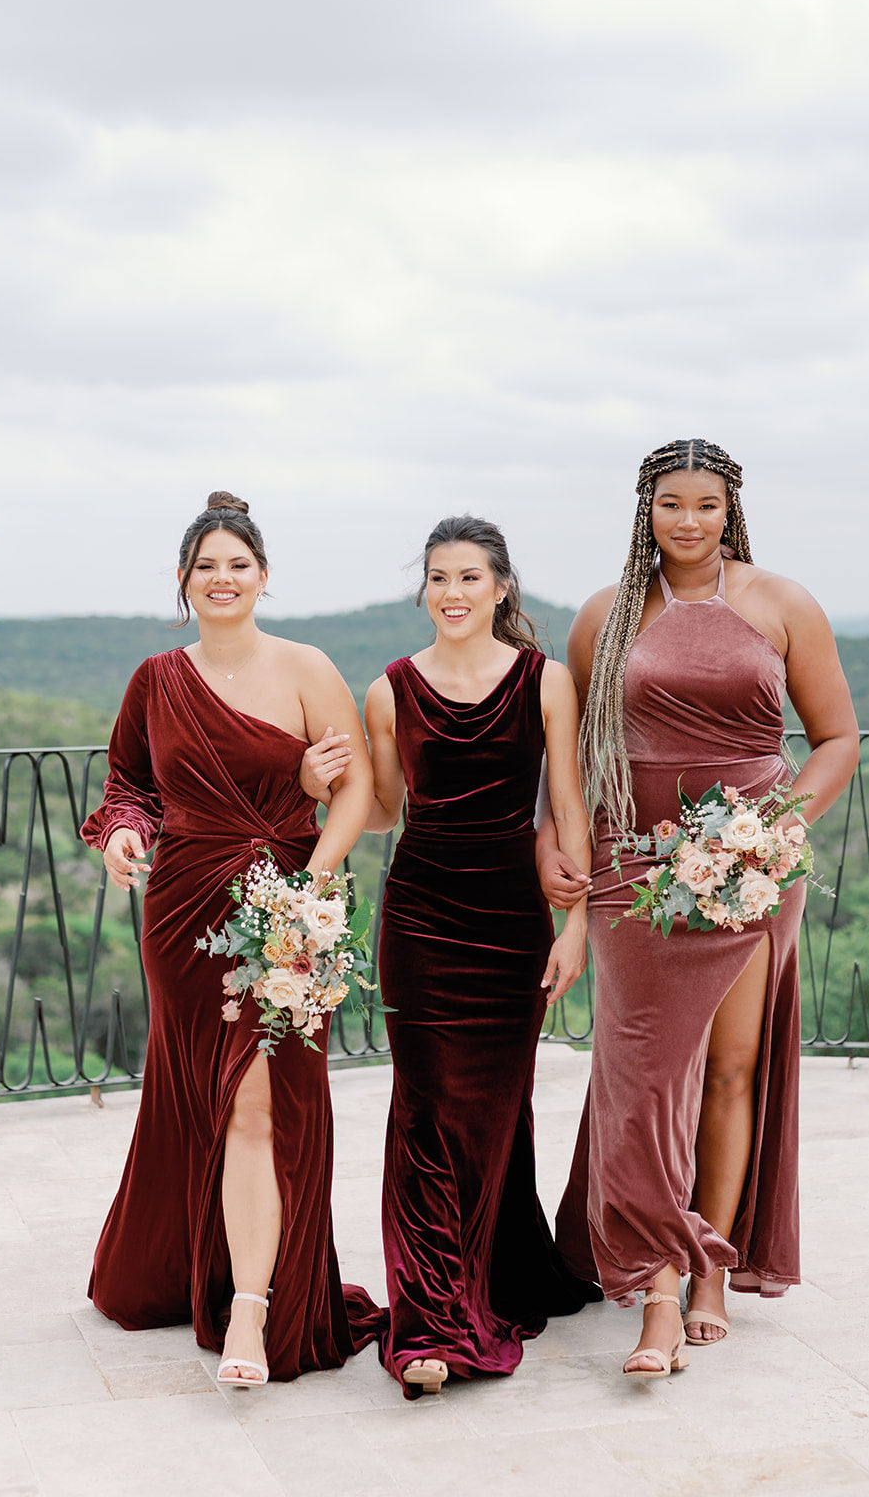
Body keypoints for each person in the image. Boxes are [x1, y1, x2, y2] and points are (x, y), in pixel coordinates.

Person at [539, 440, 859, 1379]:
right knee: (642, 1080)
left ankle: (707, 1271)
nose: (688, 521)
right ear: (645, 509)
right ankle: (656, 1282)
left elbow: (837, 738)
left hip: (749, 871)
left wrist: (767, 833)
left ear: (730, 511)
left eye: (705, 505)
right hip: (631, 867)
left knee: (728, 1071)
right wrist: (552, 840)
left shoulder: (782, 604)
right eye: (670, 504)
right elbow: (576, 750)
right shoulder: (605, 614)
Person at [81, 490, 382, 1387]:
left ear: (263, 576)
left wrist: (310, 888)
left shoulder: (305, 667)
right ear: (183, 579)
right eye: (205, 566)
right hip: (182, 917)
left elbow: (359, 794)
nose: (222, 578)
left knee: (260, 1103)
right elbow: (130, 785)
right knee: (203, 1099)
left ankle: (251, 1307)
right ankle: (204, 1270)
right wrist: (123, 834)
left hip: (285, 911)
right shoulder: (154, 679)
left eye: (237, 565)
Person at [360, 514, 600, 1396]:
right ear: (422, 589)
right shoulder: (388, 690)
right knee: (426, 1111)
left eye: (468, 577)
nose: (451, 592)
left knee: (497, 1110)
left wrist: (574, 926)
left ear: (500, 588)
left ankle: (499, 1271)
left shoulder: (545, 679)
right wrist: (318, 783)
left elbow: (566, 808)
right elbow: (382, 811)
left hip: (509, 920)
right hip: (419, 917)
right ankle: (429, 1321)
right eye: (437, 577)